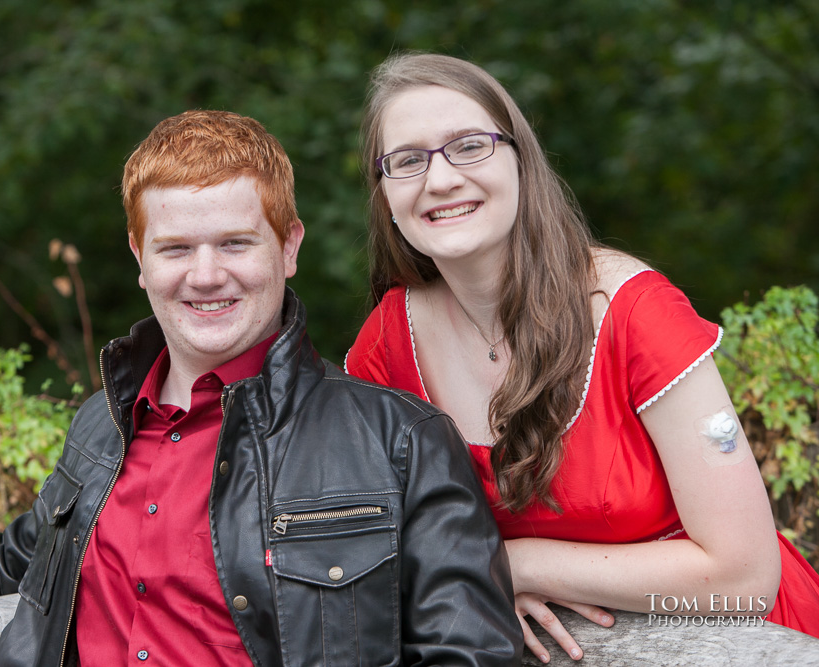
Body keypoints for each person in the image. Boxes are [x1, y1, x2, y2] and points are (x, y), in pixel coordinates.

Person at [0, 110, 522, 665]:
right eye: (177, 248)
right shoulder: (103, 427)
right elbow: (5, 558)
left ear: (289, 246)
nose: (206, 274)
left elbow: (474, 654)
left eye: (235, 243)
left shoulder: (398, 440)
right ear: (140, 259)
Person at [345, 52, 819, 663]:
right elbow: (367, 545)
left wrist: (515, 563)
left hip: (740, 643)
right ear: (384, 193)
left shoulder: (632, 310)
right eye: (407, 161)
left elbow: (744, 580)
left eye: (469, 146)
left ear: (521, 160)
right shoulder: (387, 341)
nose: (440, 180)